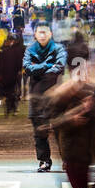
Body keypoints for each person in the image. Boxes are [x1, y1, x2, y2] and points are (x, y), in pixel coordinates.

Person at [24, 24, 66, 172]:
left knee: (61, 131)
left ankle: (66, 160)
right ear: (35, 34)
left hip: (56, 96)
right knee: (39, 132)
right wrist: (47, 65)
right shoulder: (30, 50)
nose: (42, 35)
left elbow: (59, 66)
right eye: (39, 32)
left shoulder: (58, 49)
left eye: (45, 32)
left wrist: (39, 68)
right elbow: (28, 68)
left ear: (50, 34)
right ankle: (44, 161)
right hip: (36, 97)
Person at [0, 33, 25, 116]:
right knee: (11, 91)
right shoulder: (13, 50)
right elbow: (18, 62)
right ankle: (12, 107)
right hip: (12, 74)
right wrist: (19, 70)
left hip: (8, 74)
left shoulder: (4, 50)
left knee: (10, 91)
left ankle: (11, 107)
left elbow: (0, 64)